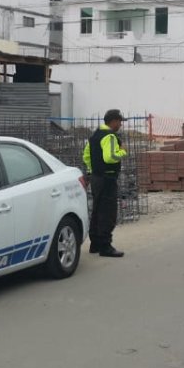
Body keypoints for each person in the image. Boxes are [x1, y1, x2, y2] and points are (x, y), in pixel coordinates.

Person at [83, 109, 128, 257]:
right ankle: (105, 246)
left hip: (96, 178)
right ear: (113, 121)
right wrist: (122, 152)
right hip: (107, 179)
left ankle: (95, 244)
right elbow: (110, 157)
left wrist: (92, 171)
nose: (120, 125)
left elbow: (86, 156)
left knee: (97, 211)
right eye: (120, 121)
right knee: (107, 213)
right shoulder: (110, 136)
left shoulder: (95, 135)